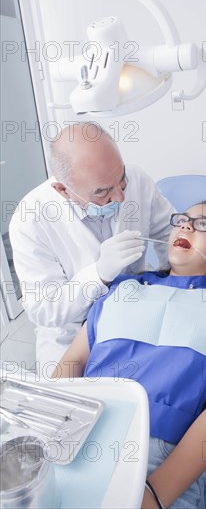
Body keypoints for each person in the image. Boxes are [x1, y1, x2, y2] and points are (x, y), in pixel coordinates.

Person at [53, 201, 206, 509]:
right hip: (81, 433)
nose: (186, 226)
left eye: (203, 224)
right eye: (182, 220)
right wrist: (53, 428)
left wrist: (155, 494)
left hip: (158, 457)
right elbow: (72, 362)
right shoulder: (123, 287)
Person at [9, 122, 175, 369]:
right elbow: (43, 309)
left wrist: (173, 284)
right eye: (102, 192)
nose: (120, 197)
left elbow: (170, 235)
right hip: (70, 333)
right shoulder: (31, 218)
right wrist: (97, 276)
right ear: (62, 189)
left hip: (138, 306)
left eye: (122, 181)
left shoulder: (138, 178)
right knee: (71, 401)